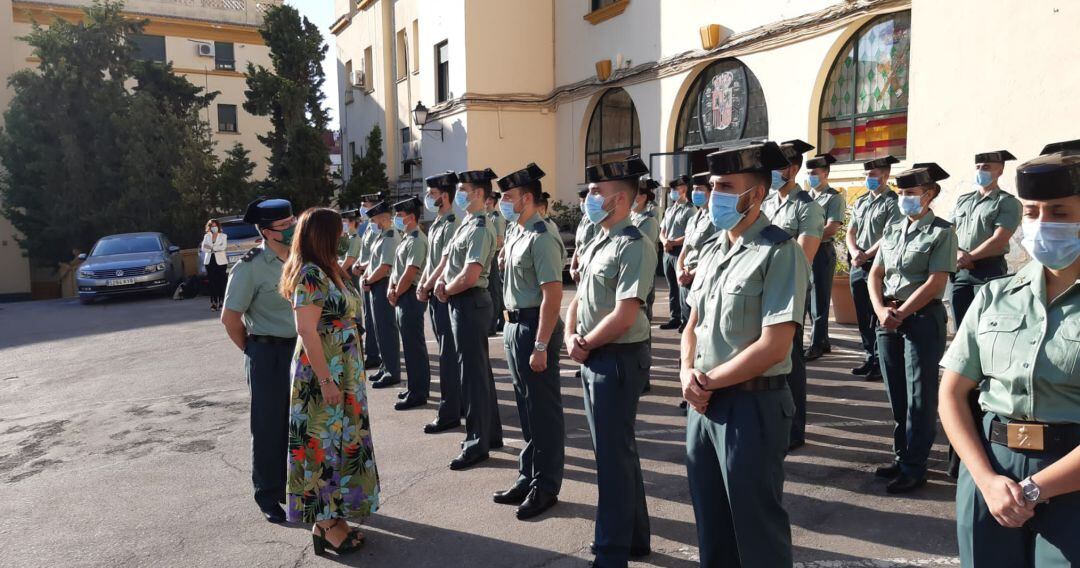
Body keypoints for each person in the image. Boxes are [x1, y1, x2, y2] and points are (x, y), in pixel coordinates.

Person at [939, 139, 1080, 568]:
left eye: (1059, 212)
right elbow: (952, 394)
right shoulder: (994, 296)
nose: (1041, 223)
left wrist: (1033, 490)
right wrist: (985, 479)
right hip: (990, 473)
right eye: (1032, 211)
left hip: (1070, 478)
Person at [681, 141, 807, 568]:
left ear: (755, 194)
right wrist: (687, 374)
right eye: (713, 186)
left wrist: (707, 382)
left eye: (725, 187)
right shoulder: (715, 248)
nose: (714, 195)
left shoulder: (779, 251)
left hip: (752, 406)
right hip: (703, 405)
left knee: (757, 530)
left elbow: (775, 344)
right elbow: (691, 326)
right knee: (711, 523)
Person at [566, 155, 656, 567]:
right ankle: (635, 537)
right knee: (618, 452)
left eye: (596, 192)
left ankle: (611, 551)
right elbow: (581, 298)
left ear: (619, 200)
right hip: (594, 354)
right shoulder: (599, 238)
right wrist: (570, 333)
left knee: (612, 459)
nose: (589, 198)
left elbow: (625, 314)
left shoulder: (634, 244)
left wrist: (584, 342)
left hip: (616, 359)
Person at [279, 207, 379, 555]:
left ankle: (334, 517)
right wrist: (326, 381)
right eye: (338, 231)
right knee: (320, 447)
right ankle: (322, 523)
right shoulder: (309, 274)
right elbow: (306, 330)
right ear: (324, 235)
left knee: (341, 444)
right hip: (322, 374)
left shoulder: (330, 270)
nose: (344, 236)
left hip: (343, 372)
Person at [868, 162, 957, 494]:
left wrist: (902, 312)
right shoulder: (892, 228)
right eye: (901, 193)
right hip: (888, 319)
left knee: (920, 397)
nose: (904, 199)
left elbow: (936, 283)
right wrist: (880, 309)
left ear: (929, 195)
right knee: (898, 395)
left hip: (920, 319)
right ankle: (902, 454)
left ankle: (915, 467)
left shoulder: (942, 232)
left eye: (910, 193)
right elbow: (876, 273)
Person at [492, 163, 566, 520]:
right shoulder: (516, 232)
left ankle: (546, 485)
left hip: (534, 327)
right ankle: (528, 475)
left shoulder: (541, 236)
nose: (502, 203)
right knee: (526, 409)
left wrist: (540, 345)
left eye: (507, 197)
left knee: (543, 412)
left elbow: (552, 295)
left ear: (526, 199)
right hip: (513, 326)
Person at [944, 149, 1022, 478]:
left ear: (1000, 169)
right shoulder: (963, 200)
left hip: (988, 272)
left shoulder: (1007, 202)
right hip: (961, 273)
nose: (982, 170)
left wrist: (969, 256)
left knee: (988, 348)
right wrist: (959, 255)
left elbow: (1000, 238)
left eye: (987, 166)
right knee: (964, 344)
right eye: (978, 165)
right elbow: (951, 231)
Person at [220, 197, 296, 524]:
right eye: (284, 226)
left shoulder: (303, 260)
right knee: (268, 426)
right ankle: (267, 494)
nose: (292, 229)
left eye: (293, 221)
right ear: (267, 232)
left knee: (299, 425)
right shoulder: (249, 268)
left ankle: (294, 487)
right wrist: (252, 350)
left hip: (301, 350)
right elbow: (230, 318)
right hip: (267, 353)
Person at [433, 168, 505, 470]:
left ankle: (477, 443)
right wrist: (437, 283)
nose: (459, 193)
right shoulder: (466, 225)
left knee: (472, 375)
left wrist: (446, 289)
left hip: (469, 302)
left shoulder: (479, 227)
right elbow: (450, 262)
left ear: (478, 193)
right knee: (478, 372)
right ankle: (491, 434)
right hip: (462, 301)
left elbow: (470, 274)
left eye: (463, 189)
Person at [763, 139, 825, 451]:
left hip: (789, 289)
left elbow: (804, 257)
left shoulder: (807, 207)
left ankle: (794, 428)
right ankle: (773, 421)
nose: (772, 172)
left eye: (778, 166)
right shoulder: (768, 202)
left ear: (793, 168)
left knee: (790, 358)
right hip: (762, 288)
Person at [847, 155, 901, 382]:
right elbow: (851, 231)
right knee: (862, 314)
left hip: (879, 265)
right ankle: (869, 356)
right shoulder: (861, 202)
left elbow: (889, 235)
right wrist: (854, 253)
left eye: (873, 174)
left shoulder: (893, 202)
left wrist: (867, 254)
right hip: (858, 264)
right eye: (867, 174)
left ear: (885, 175)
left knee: (877, 314)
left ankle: (881, 360)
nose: (869, 178)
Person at [417, 172, 464, 434]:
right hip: (435, 293)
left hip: (446, 294)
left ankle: (449, 412)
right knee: (446, 353)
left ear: (444, 196)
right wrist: (425, 282)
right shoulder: (437, 223)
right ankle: (457, 405)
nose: (428, 198)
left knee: (447, 356)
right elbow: (432, 261)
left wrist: (427, 284)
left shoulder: (453, 223)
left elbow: (446, 264)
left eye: (432, 194)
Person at [388, 197, 431, 411]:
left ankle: (419, 392)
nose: (396, 218)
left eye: (399, 215)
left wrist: (396, 292)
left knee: (414, 345)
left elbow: (410, 272)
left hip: (411, 295)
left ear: (411, 217)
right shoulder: (406, 238)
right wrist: (391, 288)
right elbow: (397, 270)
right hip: (402, 294)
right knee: (408, 343)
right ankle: (413, 386)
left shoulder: (416, 240)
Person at [804, 153, 845, 361]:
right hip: (804, 249)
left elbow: (832, 228)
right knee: (807, 297)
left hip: (821, 250)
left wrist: (807, 236)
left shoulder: (833, 197)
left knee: (819, 299)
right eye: (809, 173)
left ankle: (817, 344)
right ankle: (823, 339)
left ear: (825, 174)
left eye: (814, 173)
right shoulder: (804, 197)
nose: (811, 176)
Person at [361, 198, 401, 389]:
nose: (372, 224)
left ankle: (392, 371)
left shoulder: (391, 236)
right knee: (378, 330)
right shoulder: (382, 235)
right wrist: (366, 278)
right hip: (375, 286)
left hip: (383, 284)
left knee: (386, 329)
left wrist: (368, 280)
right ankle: (385, 367)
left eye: (373, 220)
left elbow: (385, 266)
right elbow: (372, 262)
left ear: (383, 219)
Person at [675, 172, 716, 333]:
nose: (695, 193)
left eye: (700, 189)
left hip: (700, 277)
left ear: (710, 192)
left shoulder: (715, 220)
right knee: (687, 323)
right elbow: (685, 249)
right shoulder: (693, 219)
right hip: (685, 278)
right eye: (694, 189)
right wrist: (680, 270)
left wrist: (692, 273)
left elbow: (714, 253)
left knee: (700, 326)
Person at [659, 174, 694, 330]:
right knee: (671, 286)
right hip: (667, 251)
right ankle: (675, 317)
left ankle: (686, 320)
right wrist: (665, 241)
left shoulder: (690, 209)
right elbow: (662, 230)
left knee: (682, 287)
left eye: (676, 188)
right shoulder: (669, 210)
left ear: (684, 188)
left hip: (680, 250)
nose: (673, 191)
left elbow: (690, 234)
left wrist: (673, 242)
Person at [356, 193, 386, 370]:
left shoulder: (378, 228)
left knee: (378, 321)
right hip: (366, 276)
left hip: (374, 278)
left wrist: (363, 267)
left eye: (364, 205)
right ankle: (374, 354)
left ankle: (377, 356)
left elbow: (380, 257)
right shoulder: (368, 226)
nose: (362, 208)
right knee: (369, 318)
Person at [632, 177, 661, 321]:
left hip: (641, 274)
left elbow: (645, 252)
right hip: (630, 272)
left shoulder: (648, 221)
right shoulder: (631, 217)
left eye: (634, 193)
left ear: (643, 197)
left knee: (642, 317)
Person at [485, 185, 507, 335]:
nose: (485, 202)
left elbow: (499, 240)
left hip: (493, 255)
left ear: (492, 202)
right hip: (488, 255)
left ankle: (494, 324)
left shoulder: (496, 218)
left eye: (487, 200)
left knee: (494, 291)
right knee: (493, 290)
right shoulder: (487, 217)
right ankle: (497, 321)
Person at [570, 187, 599, 284]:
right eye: (581, 201)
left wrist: (583, 268)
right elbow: (578, 246)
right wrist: (572, 268)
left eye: (584, 201)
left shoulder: (597, 220)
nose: (582, 204)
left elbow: (596, 249)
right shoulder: (583, 219)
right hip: (579, 269)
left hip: (589, 269)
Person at [201, 218, 228, 311]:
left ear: (218, 226)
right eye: (211, 226)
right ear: (209, 227)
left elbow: (223, 247)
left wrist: (211, 248)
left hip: (221, 262)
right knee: (212, 283)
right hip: (209, 262)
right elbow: (203, 248)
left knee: (221, 282)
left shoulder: (223, 236)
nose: (213, 228)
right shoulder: (206, 236)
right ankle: (213, 302)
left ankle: (221, 302)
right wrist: (215, 248)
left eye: (215, 226)